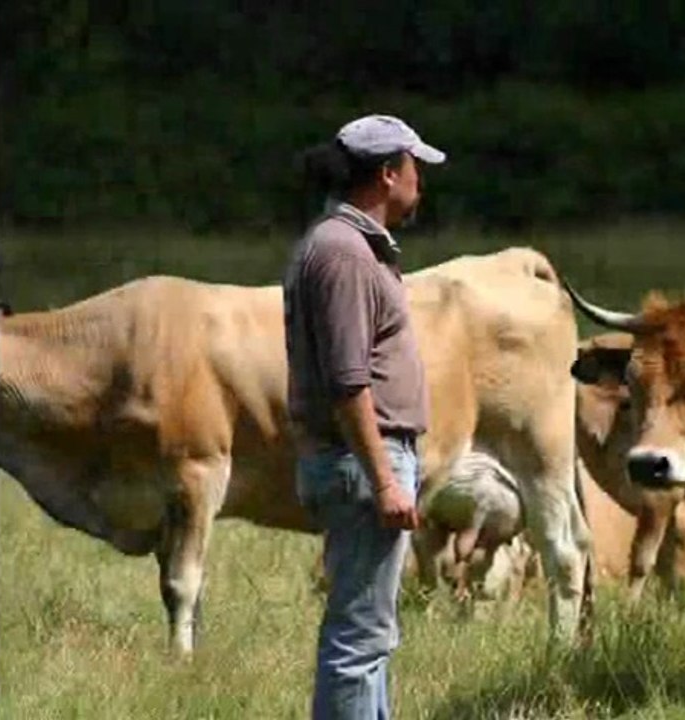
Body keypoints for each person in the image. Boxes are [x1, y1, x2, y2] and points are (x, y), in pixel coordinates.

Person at [283, 114, 446, 719]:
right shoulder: (345, 255)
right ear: (386, 174)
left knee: (372, 635)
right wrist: (384, 479)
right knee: (359, 639)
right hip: (363, 461)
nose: (419, 184)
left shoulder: (346, 246)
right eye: (414, 170)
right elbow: (349, 381)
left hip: (363, 459)